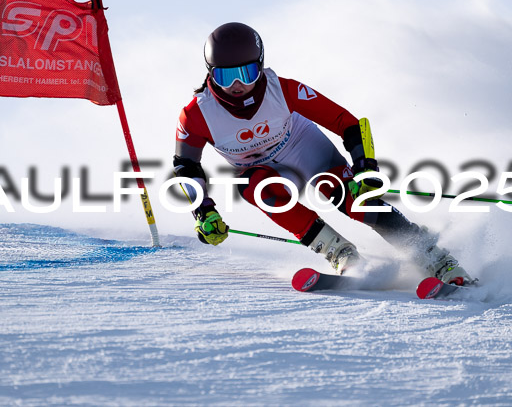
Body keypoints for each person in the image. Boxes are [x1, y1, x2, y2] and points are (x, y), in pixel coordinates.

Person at [173, 22, 473, 285]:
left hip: (305, 149)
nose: (238, 85)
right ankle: (341, 253)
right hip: (263, 171)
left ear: (261, 65)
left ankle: (436, 259)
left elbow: (349, 124)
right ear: (210, 74)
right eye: (226, 77)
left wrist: (364, 168)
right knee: (256, 188)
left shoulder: (283, 90)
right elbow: (186, 166)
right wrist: (203, 211)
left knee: (353, 200)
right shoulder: (196, 115)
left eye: (247, 73)